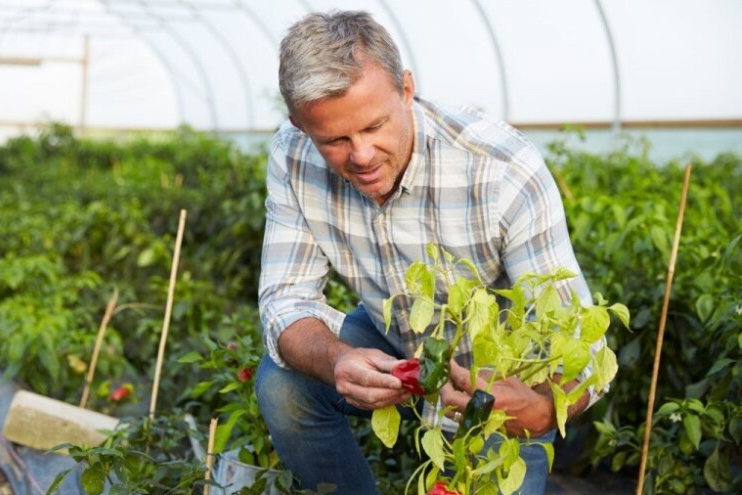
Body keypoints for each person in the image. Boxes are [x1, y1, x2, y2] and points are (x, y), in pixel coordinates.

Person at [255, 10, 605, 494]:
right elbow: (284, 300)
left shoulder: (499, 170)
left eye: (375, 126)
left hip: (493, 383)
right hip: (389, 339)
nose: (361, 154)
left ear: (406, 90)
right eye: (334, 140)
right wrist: (338, 359)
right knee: (281, 384)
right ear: (299, 124)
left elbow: (580, 339)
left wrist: (542, 409)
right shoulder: (292, 156)